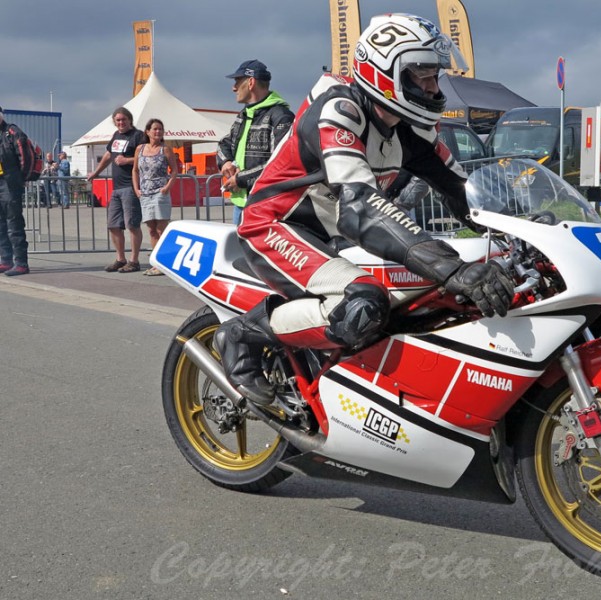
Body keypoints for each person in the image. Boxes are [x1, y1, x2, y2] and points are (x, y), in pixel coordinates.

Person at [213, 13, 515, 406]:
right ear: (385, 75)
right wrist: (454, 268)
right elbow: (358, 206)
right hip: (274, 225)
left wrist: (524, 228)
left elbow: (462, 190)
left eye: (433, 76)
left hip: (330, 234)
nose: (432, 87)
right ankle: (241, 334)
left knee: (425, 299)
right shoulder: (340, 109)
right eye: (420, 76)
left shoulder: (411, 128)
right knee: (364, 302)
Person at [217, 59, 294, 225]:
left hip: (265, 206)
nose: (233, 88)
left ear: (250, 82)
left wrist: (240, 179)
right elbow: (224, 143)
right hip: (241, 205)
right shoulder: (244, 114)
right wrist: (226, 162)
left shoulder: (281, 116)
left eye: (237, 81)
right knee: (237, 251)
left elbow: (280, 164)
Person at [87, 107, 148, 273]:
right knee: (113, 225)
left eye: (123, 119)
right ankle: (120, 259)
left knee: (132, 225)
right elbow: (108, 155)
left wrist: (127, 160)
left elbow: (146, 156)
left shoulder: (138, 136)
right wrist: (96, 172)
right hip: (116, 188)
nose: (121, 122)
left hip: (131, 186)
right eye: (118, 120)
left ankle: (134, 261)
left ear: (130, 120)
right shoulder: (116, 136)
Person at [132, 118, 179, 276]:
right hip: (145, 194)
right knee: (151, 229)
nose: (157, 132)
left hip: (160, 193)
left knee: (161, 228)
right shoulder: (140, 148)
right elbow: (135, 170)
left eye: (160, 129)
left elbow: (174, 170)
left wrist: (167, 187)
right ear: (147, 132)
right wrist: (136, 189)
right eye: (155, 129)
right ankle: (157, 262)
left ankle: (166, 262)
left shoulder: (165, 149)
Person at [0, 106, 31, 276]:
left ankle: (21, 263)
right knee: (1, 225)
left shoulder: (12, 132)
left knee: (14, 224)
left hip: (10, 185)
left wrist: (22, 179)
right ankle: (5, 260)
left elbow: (24, 157)